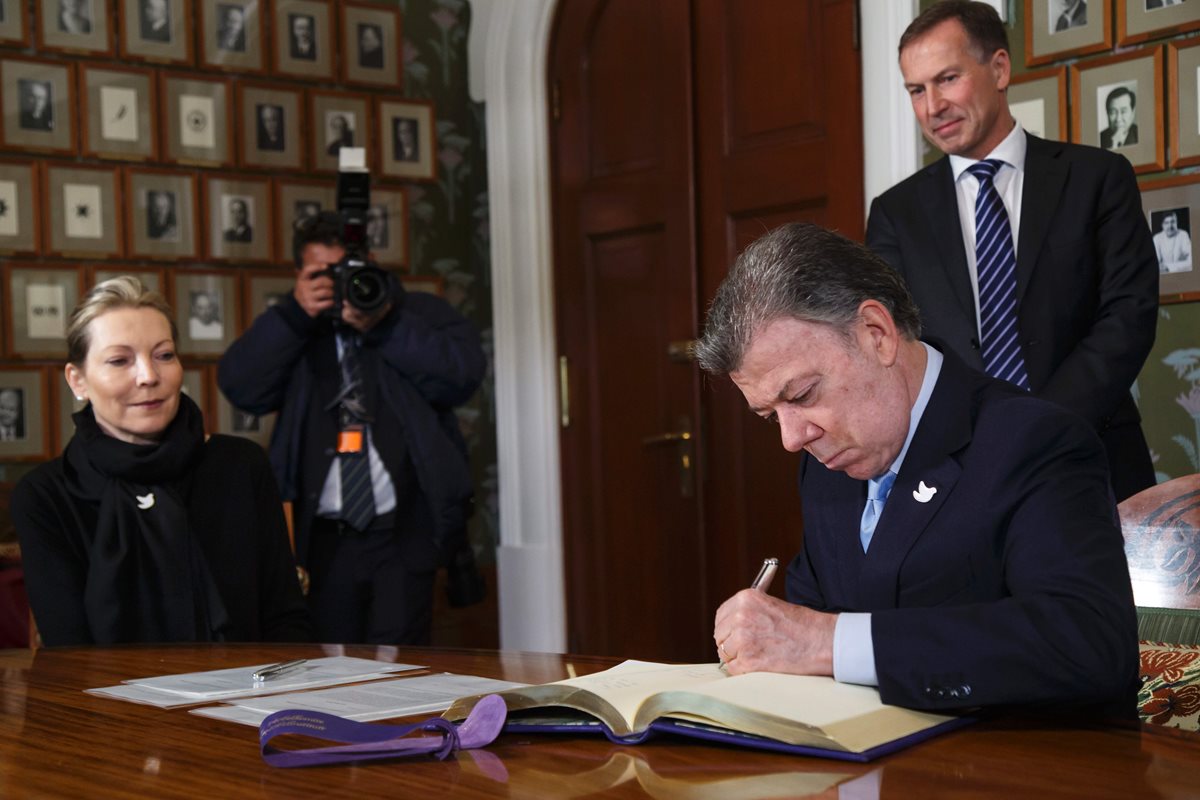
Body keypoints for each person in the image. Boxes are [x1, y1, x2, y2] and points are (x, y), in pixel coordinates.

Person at [698, 223, 1139, 714]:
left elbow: (1088, 644)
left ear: (876, 334)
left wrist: (826, 642)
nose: (791, 438)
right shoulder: (826, 466)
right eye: (769, 416)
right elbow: (808, 631)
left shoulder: (1035, 441)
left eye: (801, 395)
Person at [865, 0, 1158, 503]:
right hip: (959, 476)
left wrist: (1033, 427)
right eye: (917, 89)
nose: (932, 106)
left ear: (999, 69)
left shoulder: (1096, 178)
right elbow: (896, 345)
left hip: (1094, 457)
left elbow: (1127, 318)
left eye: (948, 78)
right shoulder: (895, 213)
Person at [217, 212, 485, 645]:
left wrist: (386, 323)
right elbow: (241, 386)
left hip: (403, 533)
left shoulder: (417, 313)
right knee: (330, 667)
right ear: (299, 276)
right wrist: (294, 314)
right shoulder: (296, 330)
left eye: (345, 271)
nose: (336, 283)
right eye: (321, 274)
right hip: (322, 539)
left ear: (370, 263)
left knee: (404, 671)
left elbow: (462, 374)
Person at [12, 277, 312, 646]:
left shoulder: (240, 465)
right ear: (78, 381)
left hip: (248, 694)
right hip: (108, 699)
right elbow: (69, 651)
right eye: (120, 360)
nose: (149, 376)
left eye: (164, 355)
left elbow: (285, 619)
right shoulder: (45, 495)